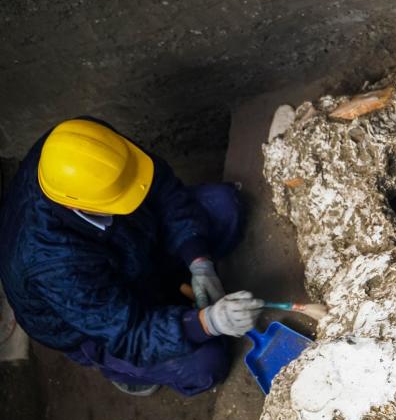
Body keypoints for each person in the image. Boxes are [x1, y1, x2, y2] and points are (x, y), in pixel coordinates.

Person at [0, 117, 264, 397]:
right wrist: (208, 323)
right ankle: (121, 370)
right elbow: (129, 334)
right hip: (97, 318)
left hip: (132, 244)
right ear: (74, 203)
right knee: (205, 365)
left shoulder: (84, 146)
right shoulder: (53, 264)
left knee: (224, 206)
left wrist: (198, 260)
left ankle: (173, 288)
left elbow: (162, 187)